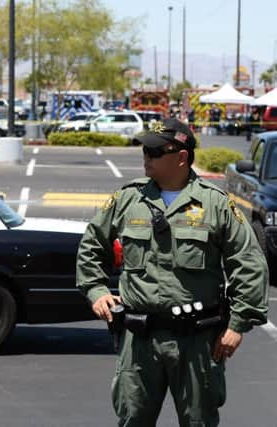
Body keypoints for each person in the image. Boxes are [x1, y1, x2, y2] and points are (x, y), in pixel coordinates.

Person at [76, 118, 268, 427]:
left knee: (199, 421)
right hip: (139, 341)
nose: (146, 157)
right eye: (145, 151)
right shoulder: (128, 198)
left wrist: (238, 324)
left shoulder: (214, 204)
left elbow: (249, 263)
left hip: (197, 342)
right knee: (132, 419)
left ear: (181, 157)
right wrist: (96, 290)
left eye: (154, 151)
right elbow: (91, 244)